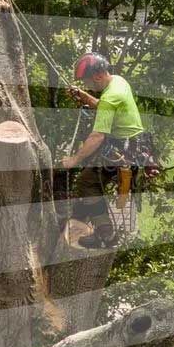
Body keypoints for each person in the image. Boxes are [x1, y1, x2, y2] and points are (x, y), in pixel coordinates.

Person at [60, 53, 145, 244]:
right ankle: (83, 214)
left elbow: (97, 136)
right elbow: (103, 105)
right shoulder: (118, 81)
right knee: (91, 177)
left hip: (122, 150)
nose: (87, 85)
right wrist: (84, 96)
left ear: (97, 76)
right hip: (133, 145)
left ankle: (105, 234)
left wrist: (73, 160)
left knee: (87, 183)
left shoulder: (110, 97)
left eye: (86, 81)